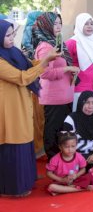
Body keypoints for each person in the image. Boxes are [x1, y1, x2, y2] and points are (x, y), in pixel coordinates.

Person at [0, 19, 61, 197]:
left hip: (21, 102)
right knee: (14, 140)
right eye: (8, 35)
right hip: (9, 107)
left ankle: (27, 178)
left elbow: (29, 66)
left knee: (26, 138)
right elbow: (22, 77)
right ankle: (12, 188)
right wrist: (44, 63)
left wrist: (44, 59)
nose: (12, 38)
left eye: (13, 34)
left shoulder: (13, 52)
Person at [33, 12, 78, 159]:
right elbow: (44, 73)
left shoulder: (56, 42)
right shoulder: (45, 46)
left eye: (60, 23)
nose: (59, 26)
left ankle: (61, 161)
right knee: (53, 132)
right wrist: (67, 69)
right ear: (46, 25)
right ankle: (53, 161)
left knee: (61, 131)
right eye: (55, 23)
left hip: (64, 95)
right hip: (53, 97)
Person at [65, 13, 93, 111]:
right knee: (79, 116)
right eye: (86, 24)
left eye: (91, 23)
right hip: (78, 86)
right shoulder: (71, 42)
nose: (89, 26)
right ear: (80, 25)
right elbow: (64, 63)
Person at [62, 91, 93, 169]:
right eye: (87, 102)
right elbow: (66, 143)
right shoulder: (71, 119)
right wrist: (79, 158)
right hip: (75, 156)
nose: (90, 106)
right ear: (81, 103)